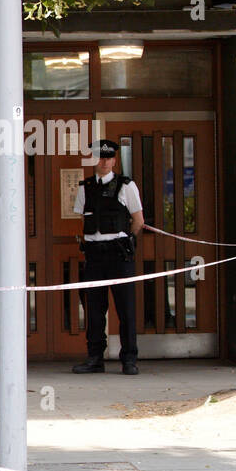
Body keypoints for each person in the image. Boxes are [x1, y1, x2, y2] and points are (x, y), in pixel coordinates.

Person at [72, 139, 144, 375]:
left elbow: (138, 221)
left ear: (114, 160)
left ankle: (129, 359)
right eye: (100, 157)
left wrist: (126, 242)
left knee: (125, 309)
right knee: (94, 309)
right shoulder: (85, 187)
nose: (104, 162)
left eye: (108, 157)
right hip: (94, 256)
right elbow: (83, 220)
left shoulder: (126, 186)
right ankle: (95, 358)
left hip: (118, 255)